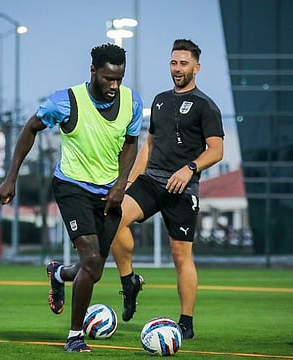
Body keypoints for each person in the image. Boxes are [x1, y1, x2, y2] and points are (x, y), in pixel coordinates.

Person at [0, 43, 143, 353]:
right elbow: (31, 128)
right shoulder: (64, 101)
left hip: (110, 194)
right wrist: (11, 177)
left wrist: (121, 184)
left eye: (119, 78)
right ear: (93, 71)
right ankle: (75, 336)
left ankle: (58, 274)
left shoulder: (131, 102)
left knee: (94, 270)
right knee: (90, 261)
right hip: (72, 187)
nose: (114, 86)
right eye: (107, 78)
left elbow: (132, 142)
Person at [110, 38, 224, 339]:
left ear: (196, 67)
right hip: (151, 181)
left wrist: (190, 169)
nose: (177, 68)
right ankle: (129, 281)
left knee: (180, 255)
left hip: (182, 189)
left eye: (183, 63)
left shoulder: (206, 106)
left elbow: (216, 150)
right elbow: (148, 145)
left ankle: (186, 322)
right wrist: (130, 181)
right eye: (174, 62)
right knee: (113, 216)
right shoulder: (159, 100)